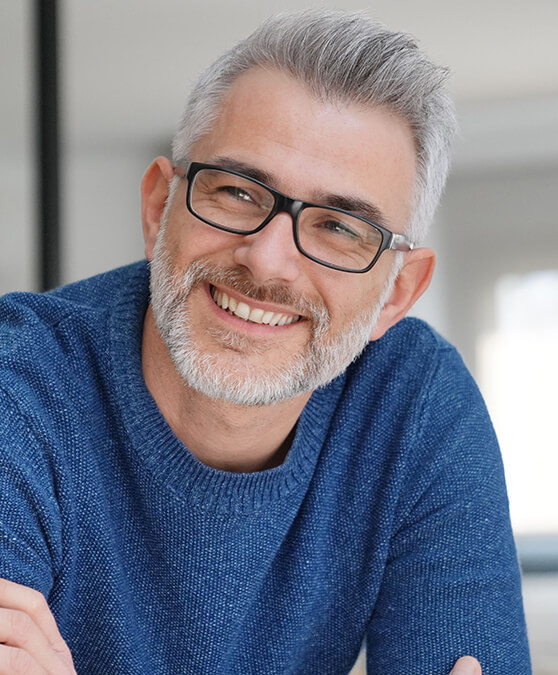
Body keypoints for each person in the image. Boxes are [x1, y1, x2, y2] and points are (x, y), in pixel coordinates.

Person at [0, 9, 530, 674]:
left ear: (396, 293)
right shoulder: (16, 384)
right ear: (160, 207)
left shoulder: (417, 408)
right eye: (238, 191)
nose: (268, 261)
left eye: (340, 227)